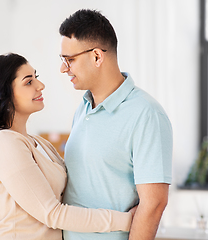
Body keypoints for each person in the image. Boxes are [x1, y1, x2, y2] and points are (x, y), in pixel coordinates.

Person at [0, 53, 137, 240]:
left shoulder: (40, 143)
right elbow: (52, 213)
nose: (40, 86)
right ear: (5, 95)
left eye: (36, 77)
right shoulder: (4, 143)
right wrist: (128, 220)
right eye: (28, 82)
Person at [59, 9, 173, 240]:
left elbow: (154, 204)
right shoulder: (83, 108)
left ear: (97, 57)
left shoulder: (146, 114)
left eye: (69, 60)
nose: (63, 69)